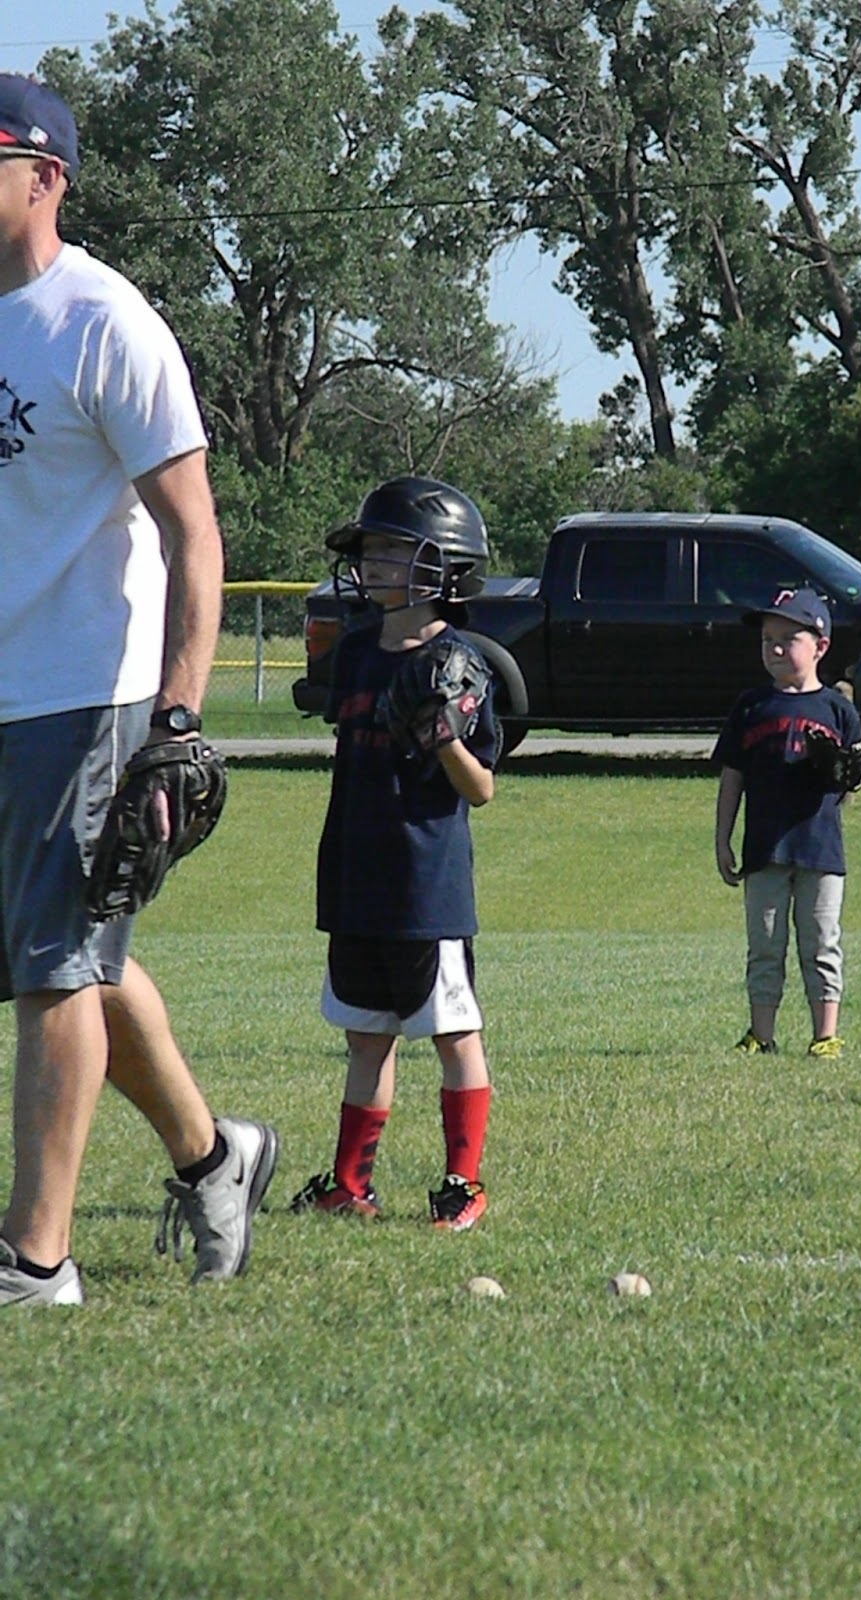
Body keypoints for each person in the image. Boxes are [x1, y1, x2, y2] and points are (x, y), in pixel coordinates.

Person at [0, 75, 278, 1308]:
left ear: (45, 176)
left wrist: (177, 715)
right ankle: (218, 1158)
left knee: (56, 968)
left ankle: (35, 1259)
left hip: (82, 694)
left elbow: (193, 531)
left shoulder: (103, 320)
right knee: (79, 958)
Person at [290, 475, 497, 1231]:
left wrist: (442, 737)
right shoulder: (354, 653)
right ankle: (352, 1184)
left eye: (390, 550)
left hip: (424, 884)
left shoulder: (460, 660)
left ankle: (463, 1182)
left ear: (442, 564)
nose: (372, 563)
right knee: (366, 1034)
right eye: (369, 551)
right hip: (356, 872)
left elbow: (481, 789)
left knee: (452, 1033)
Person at [713, 586, 861, 1061]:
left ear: (820, 646)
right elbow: (732, 777)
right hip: (764, 848)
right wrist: (722, 839)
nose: (775, 649)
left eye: (788, 639)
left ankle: (825, 1036)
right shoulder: (751, 706)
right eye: (767, 640)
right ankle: (761, 1035)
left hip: (821, 848)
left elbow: (852, 783)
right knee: (765, 945)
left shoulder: (837, 709)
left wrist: (846, 773)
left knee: (821, 942)